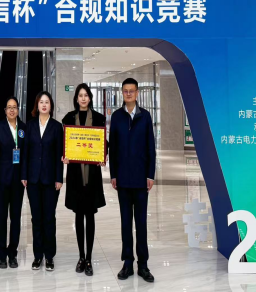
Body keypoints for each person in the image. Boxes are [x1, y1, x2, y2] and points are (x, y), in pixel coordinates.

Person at [109, 78, 156, 283]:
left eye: (131, 91)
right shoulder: (117, 117)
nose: (128, 94)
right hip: (122, 179)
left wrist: (150, 174)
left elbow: (151, 147)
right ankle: (127, 263)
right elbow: (113, 148)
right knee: (126, 223)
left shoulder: (145, 116)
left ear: (137, 93)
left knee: (141, 223)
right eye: (125, 91)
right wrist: (113, 174)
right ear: (122, 93)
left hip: (140, 179)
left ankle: (143, 265)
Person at [61, 83, 106, 277]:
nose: (83, 98)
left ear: (90, 98)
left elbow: (104, 143)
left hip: (92, 176)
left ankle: (89, 257)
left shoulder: (99, 118)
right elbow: (63, 144)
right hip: (75, 176)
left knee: (90, 216)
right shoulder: (68, 118)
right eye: (80, 95)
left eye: (86, 95)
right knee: (79, 216)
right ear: (76, 98)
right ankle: (81, 256)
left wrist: (103, 155)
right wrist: (64, 156)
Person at [21, 91, 64, 272]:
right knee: (36, 218)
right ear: (37, 105)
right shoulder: (30, 126)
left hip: (50, 180)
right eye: (41, 102)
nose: (44, 105)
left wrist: (59, 178)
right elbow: (25, 152)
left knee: (49, 218)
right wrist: (24, 175)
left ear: (51, 106)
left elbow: (60, 154)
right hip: (33, 179)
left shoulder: (57, 127)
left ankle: (50, 255)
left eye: (47, 102)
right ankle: (38, 255)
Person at [0, 96, 27, 269]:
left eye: (15, 107)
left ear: (18, 110)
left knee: (16, 217)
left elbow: (26, 155)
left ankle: (13, 253)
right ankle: (1, 253)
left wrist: (25, 175)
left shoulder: (23, 128)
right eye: (9, 107)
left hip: (18, 181)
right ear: (5, 110)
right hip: (1, 181)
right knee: (1, 217)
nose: (12, 110)